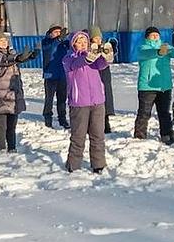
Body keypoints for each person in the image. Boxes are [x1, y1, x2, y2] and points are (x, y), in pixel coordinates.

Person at [63, 30, 113, 173]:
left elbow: (102, 64)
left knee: (98, 135)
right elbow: (77, 63)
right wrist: (88, 58)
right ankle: (73, 165)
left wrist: (107, 56)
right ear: (73, 44)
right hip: (79, 104)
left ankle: (98, 165)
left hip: (97, 102)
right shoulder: (68, 59)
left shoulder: (94, 58)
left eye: (85, 41)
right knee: (78, 137)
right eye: (79, 42)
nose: (83, 44)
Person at [134, 26, 174, 145]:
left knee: (164, 113)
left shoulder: (165, 47)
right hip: (147, 87)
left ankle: (166, 134)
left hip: (164, 87)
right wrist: (158, 52)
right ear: (147, 37)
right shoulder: (143, 47)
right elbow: (147, 53)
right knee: (144, 113)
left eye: (157, 35)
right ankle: (139, 135)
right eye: (152, 35)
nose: (155, 37)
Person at [0, 32, 36, 153]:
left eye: (5, 40)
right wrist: (17, 58)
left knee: (12, 125)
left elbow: (17, 60)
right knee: (1, 125)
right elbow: (4, 60)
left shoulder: (12, 53)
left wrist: (29, 56)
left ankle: (12, 146)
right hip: (0, 96)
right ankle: (1, 147)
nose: (4, 43)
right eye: (1, 41)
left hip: (13, 95)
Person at [41, 25, 70, 129]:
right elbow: (51, 48)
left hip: (63, 75)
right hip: (50, 75)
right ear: (50, 33)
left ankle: (62, 118)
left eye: (60, 32)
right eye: (56, 32)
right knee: (49, 98)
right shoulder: (46, 42)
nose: (58, 33)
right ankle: (47, 117)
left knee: (62, 99)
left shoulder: (64, 43)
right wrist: (59, 39)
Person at [89, 27, 117, 133]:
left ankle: (106, 120)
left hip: (105, 75)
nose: (98, 41)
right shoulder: (89, 49)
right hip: (93, 74)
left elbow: (110, 58)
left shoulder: (105, 46)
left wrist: (111, 52)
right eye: (95, 38)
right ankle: (91, 122)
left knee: (106, 95)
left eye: (99, 38)